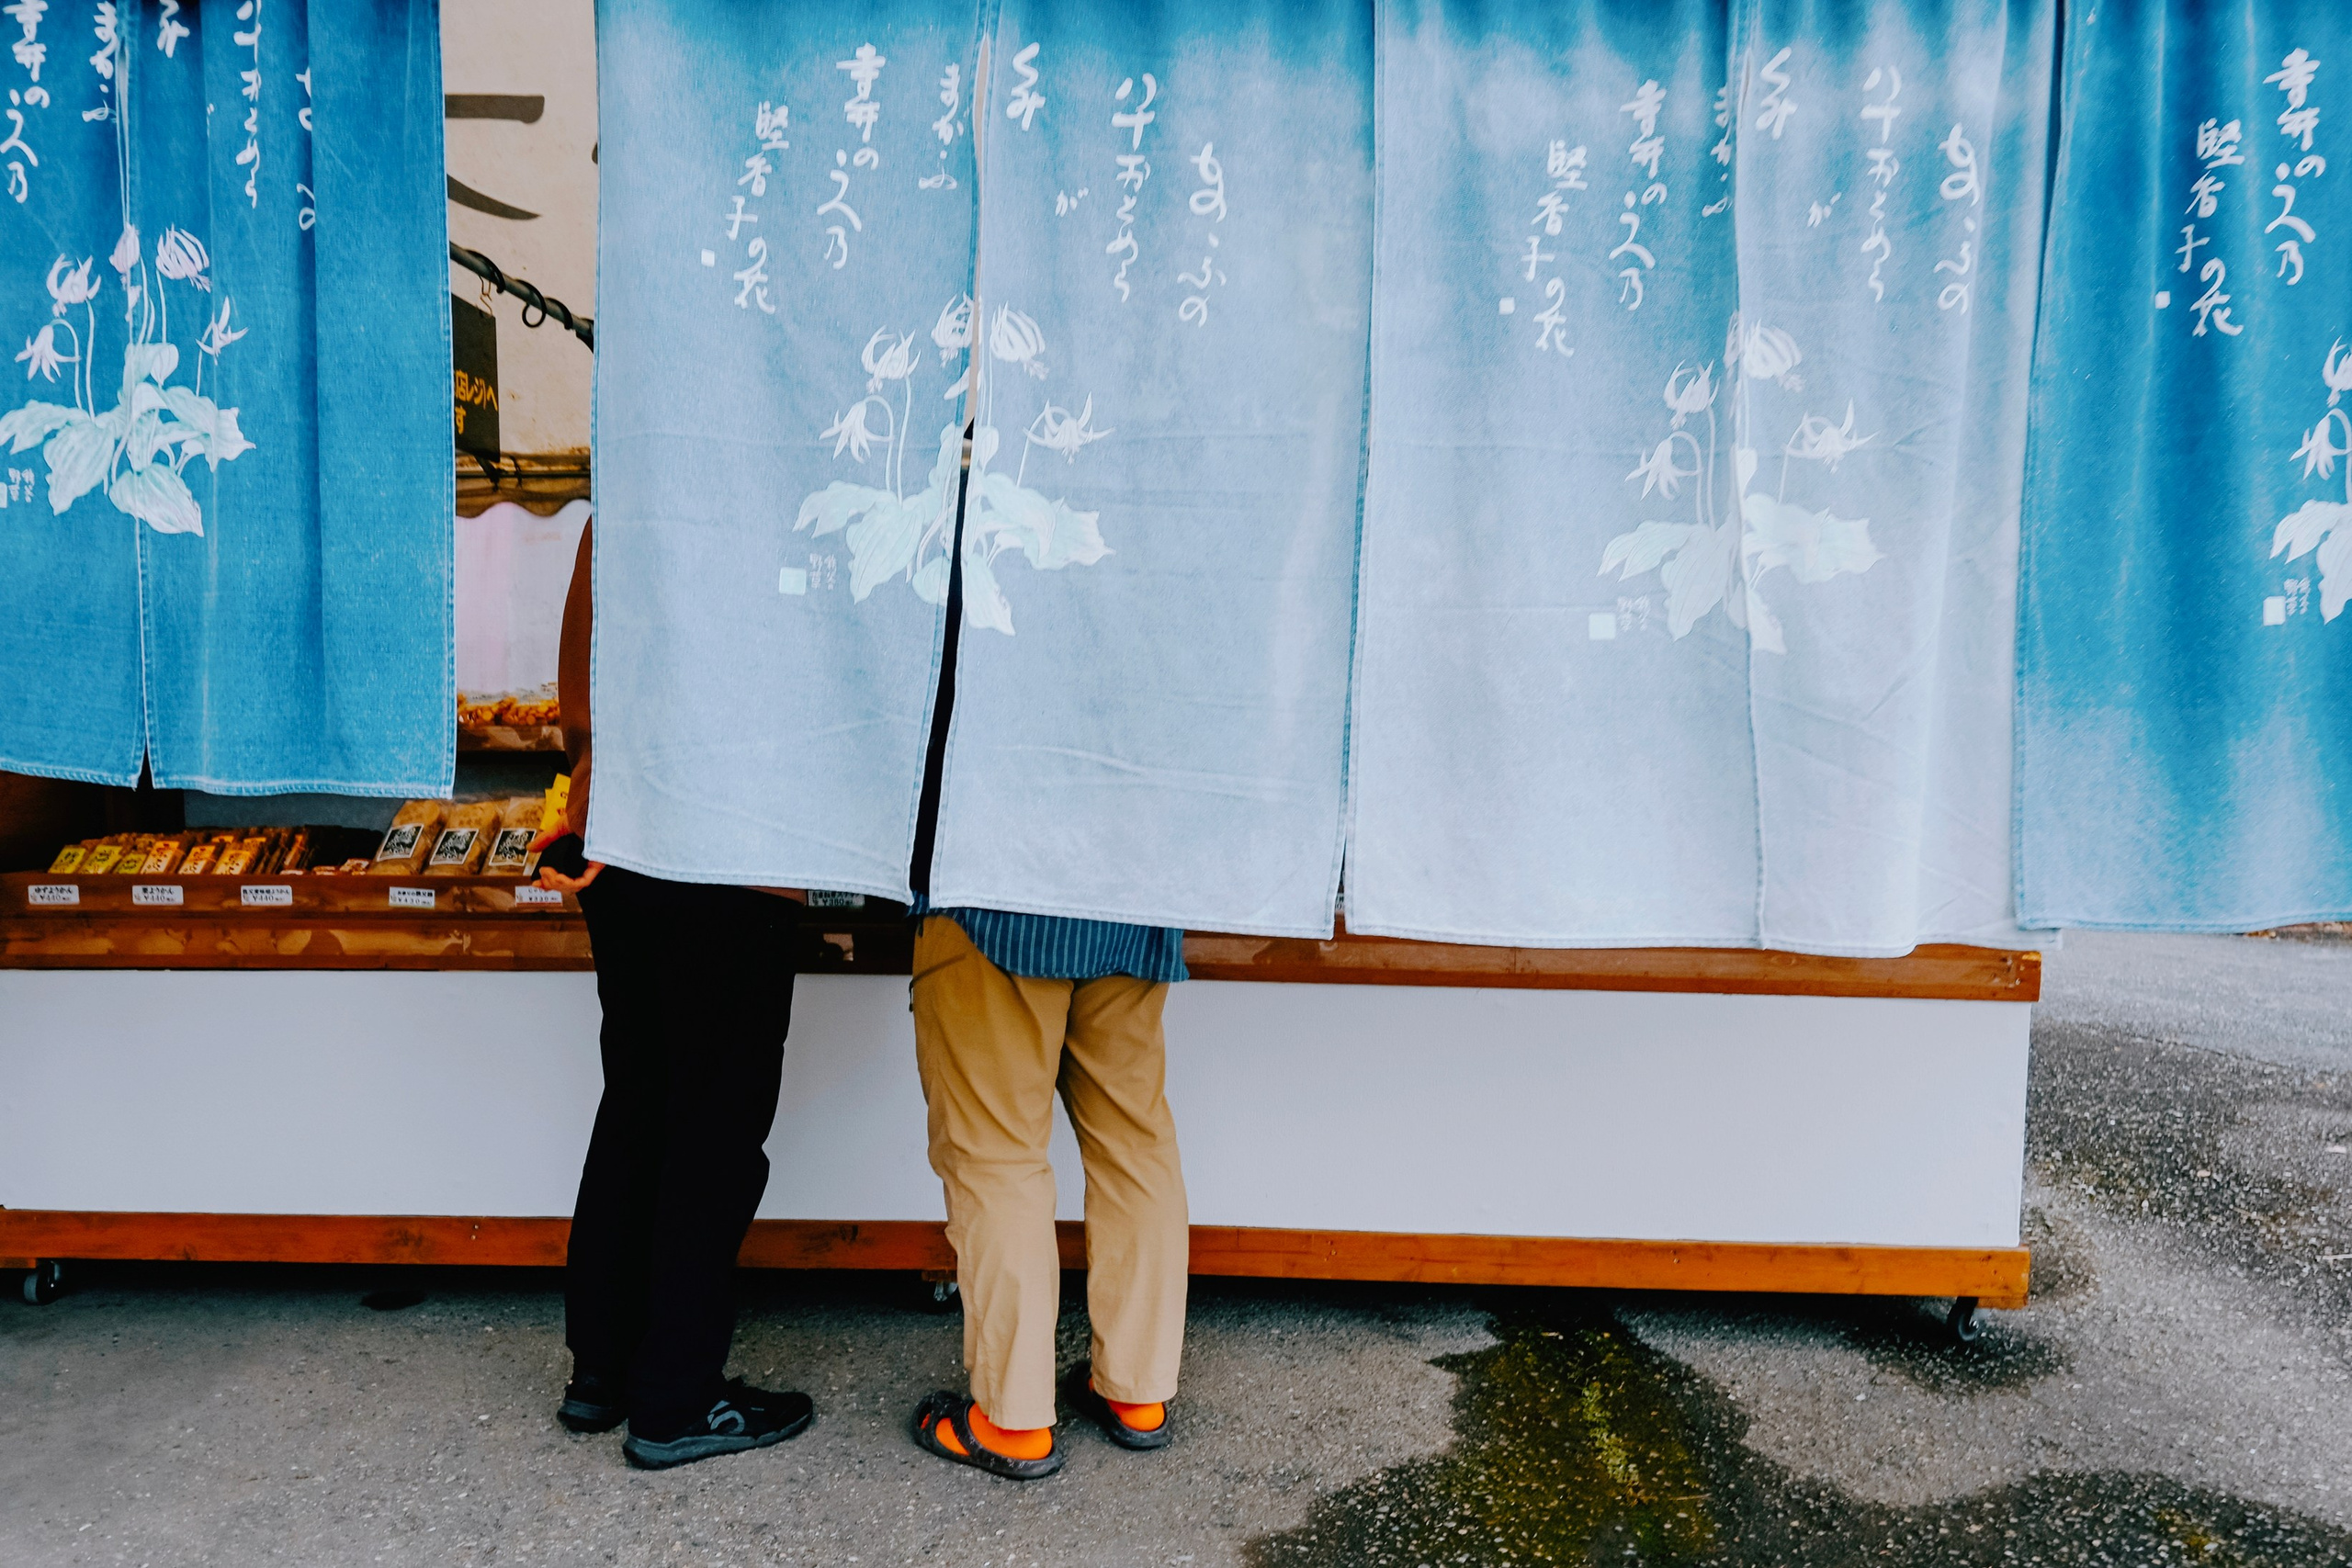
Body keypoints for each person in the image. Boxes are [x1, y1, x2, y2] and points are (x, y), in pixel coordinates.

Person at [903, 491, 1192, 1480]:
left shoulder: (964, 574)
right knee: (1133, 1141)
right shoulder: (1150, 575)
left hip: (993, 898)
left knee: (997, 1158)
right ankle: (1137, 1387)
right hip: (1129, 893)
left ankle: (1015, 1419)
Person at [533, 520, 815, 1470]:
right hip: (732, 850)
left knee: (640, 1104)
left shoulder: (618, 509)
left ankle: (600, 1373)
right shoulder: (763, 511)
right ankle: (676, 1398)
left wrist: (595, 773)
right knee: (713, 1132)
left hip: (616, 837)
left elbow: (575, 701)